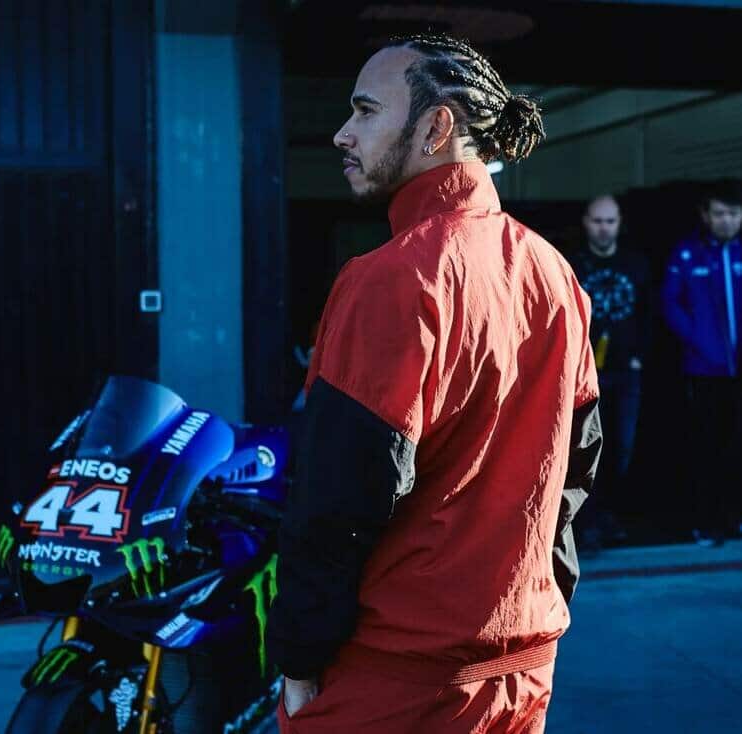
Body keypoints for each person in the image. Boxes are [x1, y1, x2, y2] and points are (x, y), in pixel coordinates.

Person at [265, 34, 602, 734]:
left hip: (397, 683)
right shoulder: (557, 275)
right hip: (522, 670)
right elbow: (575, 473)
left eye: (365, 111)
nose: (343, 133)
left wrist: (298, 657)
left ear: (436, 127)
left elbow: (338, 499)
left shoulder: (390, 277)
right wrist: (532, 603)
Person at [661, 179, 742, 547]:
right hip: (704, 370)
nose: (727, 221)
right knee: (706, 447)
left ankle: (734, 518)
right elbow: (670, 304)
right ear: (706, 215)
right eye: (720, 214)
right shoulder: (687, 254)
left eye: (734, 214)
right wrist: (698, 342)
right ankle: (706, 522)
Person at [568, 195, 649, 549]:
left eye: (610, 221)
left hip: (626, 373)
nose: (604, 228)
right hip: (584, 376)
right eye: (598, 221)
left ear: (619, 224)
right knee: (585, 448)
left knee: (621, 447)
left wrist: (638, 357)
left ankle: (611, 519)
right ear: (586, 222)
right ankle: (588, 522)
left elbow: (650, 313)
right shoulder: (572, 265)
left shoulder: (636, 265)